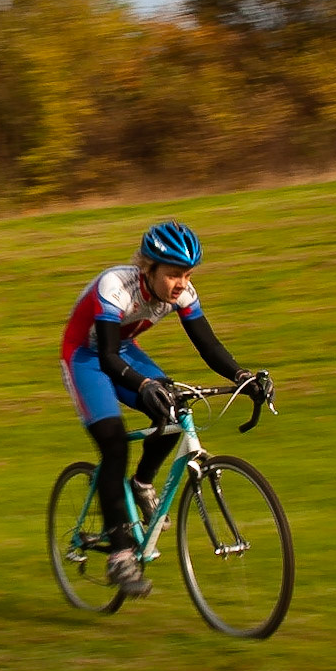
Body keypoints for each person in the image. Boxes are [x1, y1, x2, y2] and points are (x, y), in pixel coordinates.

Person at [58, 220, 267, 597]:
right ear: (147, 269)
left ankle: (141, 484)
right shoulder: (115, 287)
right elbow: (104, 356)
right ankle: (120, 554)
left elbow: (208, 345)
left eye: (186, 274)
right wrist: (143, 383)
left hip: (122, 351)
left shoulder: (182, 293)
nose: (181, 284)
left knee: (173, 410)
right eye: (172, 274)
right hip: (86, 356)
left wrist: (242, 376)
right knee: (114, 444)